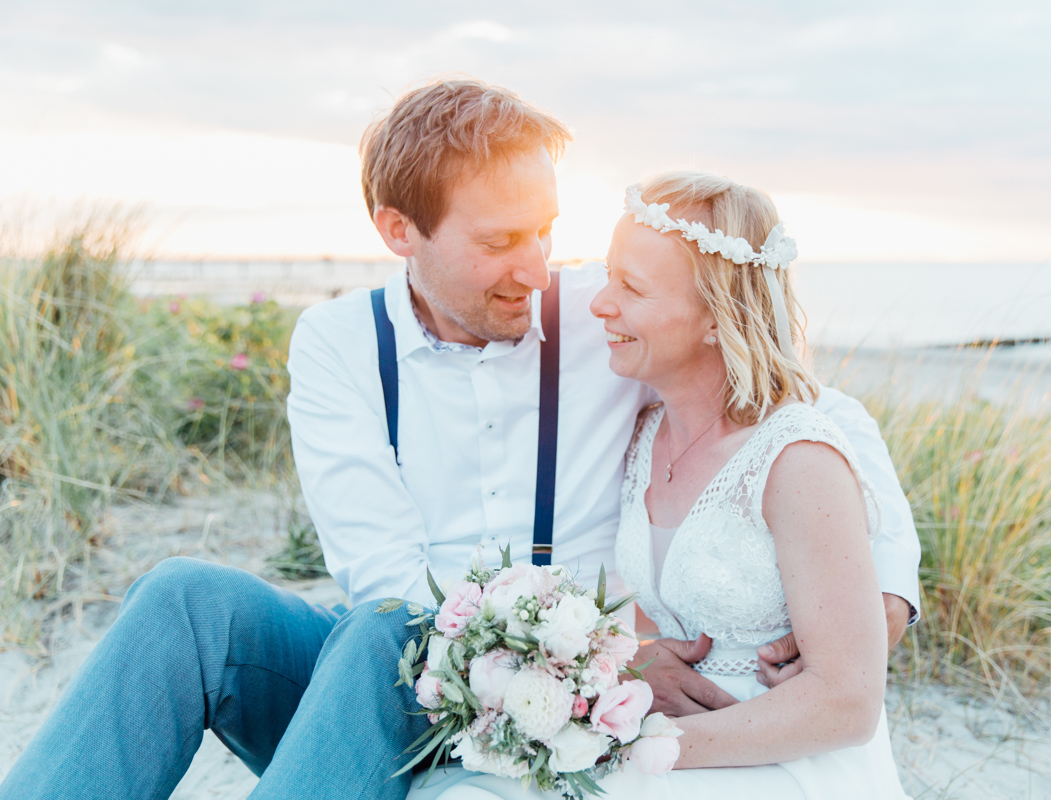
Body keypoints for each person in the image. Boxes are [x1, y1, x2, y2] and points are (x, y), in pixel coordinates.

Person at [0, 80, 918, 800]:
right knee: (193, 602)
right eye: (500, 240)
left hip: (553, 706)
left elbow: (808, 408)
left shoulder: (608, 315)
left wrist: (884, 592)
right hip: (405, 677)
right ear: (400, 231)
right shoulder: (338, 345)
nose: (535, 267)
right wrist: (595, 653)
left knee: (370, 635)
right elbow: (387, 582)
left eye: (547, 232)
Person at [403, 174, 910, 798]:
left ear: (716, 319)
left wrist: (644, 744)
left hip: (779, 757)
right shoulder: (645, 435)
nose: (599, 304)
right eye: (609, 275)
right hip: (667, 731)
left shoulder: (798, 458)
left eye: (632, 288)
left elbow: (847, 704)